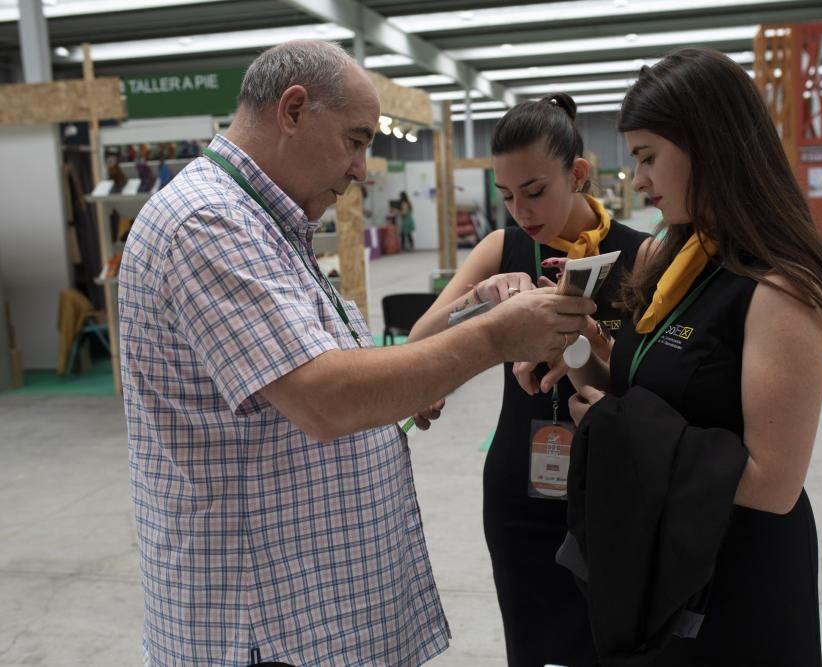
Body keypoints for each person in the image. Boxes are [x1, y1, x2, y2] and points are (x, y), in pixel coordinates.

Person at [117, 40, 595, 667]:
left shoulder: (262, 224)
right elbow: (325, 399)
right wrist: (496, 335)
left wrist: (429, 357)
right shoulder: (209, 224)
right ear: (292, 110)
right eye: (356, 140)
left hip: (307, 615)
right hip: (267, 628)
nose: (361, 170)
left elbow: (322, 374)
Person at [565, 47, 822, 665]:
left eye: (648, 157)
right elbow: (644, 387)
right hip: (662, 553)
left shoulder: (781, 291)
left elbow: (772, 484)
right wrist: (576, 342)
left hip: (738, 576)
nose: (637, 180)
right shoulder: (668, 258)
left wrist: (616, 437)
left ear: (711, 146)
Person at [408, 93, 650, 667]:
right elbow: (420, 340)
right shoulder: (503, 249)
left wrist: (589, 344)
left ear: (579, 174)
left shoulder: (641, 256)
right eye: (507, 196)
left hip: (614, 488)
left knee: (612, 642)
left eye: (535, 191)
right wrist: (479, 299)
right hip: (520, 487)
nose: (521, 210)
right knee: (531, 646)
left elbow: (652, 387)